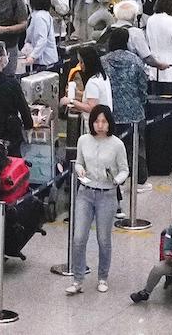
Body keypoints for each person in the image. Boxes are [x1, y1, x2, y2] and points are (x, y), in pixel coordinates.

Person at [65, 105, 127, 295]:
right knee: (78, 237)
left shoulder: (117, 144)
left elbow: (124, 169)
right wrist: (79, 170)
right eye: (96, 121)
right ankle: (78, 279)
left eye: (104, 121)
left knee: (103, 238)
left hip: (107, 194)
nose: (100, 125)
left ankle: (102, 277)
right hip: (85, 192)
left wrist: (116, 180)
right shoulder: (83, 140)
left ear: (109, 123)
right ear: (91, 122)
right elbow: (79, 163)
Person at [101, 27, 149, 188]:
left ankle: (114, 181)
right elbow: (143, 86)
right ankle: (138, 181)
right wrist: (142, 101)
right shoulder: (135, 60)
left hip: (111, 113)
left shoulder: (104, 61)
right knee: (136, 147)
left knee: (112, 149)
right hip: (134, 112)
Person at [24, 0, 59, 70]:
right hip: (42, 61)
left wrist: (32, 56)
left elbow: (42, 39)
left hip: (45, 62)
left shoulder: (40, 17)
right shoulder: (37, 15)